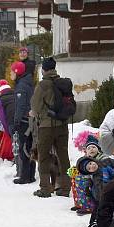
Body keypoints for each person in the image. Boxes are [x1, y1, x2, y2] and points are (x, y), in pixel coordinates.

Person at [30, 57, 71, 197]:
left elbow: (35, 107)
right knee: (63, 157)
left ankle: (46, 188)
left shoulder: (42, 85)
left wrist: (37, 114)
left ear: (44, 70)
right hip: (62, 126)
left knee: (44, 157)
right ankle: (65, 188)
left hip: (46, 127)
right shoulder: (63, 83)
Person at [11, 61, 36, 184]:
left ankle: (25, 176)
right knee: (30, 147)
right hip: (31, 121)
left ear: (16, 72)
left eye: (12, 71)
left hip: (24, 121)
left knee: (23, 149)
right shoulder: (29, 82)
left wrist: (16, 122)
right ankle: (31, 175)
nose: (10, 74)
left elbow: (20, 106)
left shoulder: (21, 86)